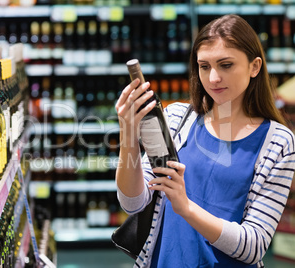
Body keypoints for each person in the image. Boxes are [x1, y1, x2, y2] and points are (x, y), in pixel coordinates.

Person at [115, 14, 295, 268]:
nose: (213, 78)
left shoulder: (277, 142)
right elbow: (133, 202)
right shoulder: (177, 119)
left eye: (226, 65)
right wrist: (128, 137)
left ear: (254, 67)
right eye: (204, 66)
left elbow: (254, 246)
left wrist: (186, 207)